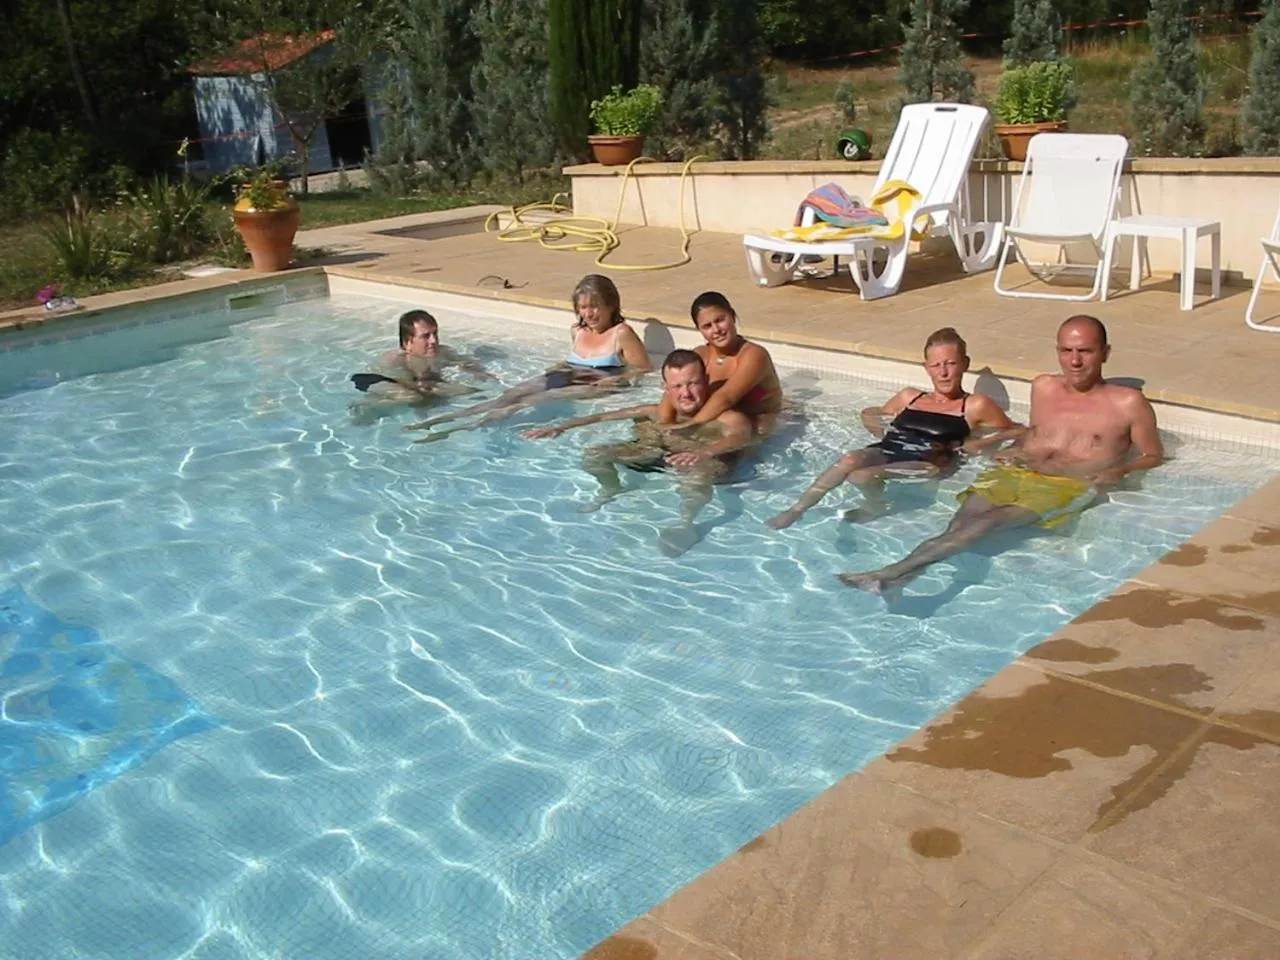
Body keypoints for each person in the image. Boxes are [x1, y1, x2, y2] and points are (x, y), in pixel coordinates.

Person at [838, 315, 1164, 595]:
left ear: (1105, 353)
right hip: (1016, 471)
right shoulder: (1044, 387)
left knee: (987, 523)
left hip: (1065, 483)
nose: (1074, 361)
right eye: (1067, 351)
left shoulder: (1128, 403)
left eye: (1085, 351)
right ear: (1058, 352)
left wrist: (1120, 471)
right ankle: (903, 578)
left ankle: (890, 572)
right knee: (960, 523)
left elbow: (1153, 455)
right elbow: (1037, 432)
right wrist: (1011, 448)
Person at [766, 327, 1018, 529]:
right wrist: (878, 429)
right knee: (850, 459)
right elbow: (873, 414)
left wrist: (977, 444)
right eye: (936, 365)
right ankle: (796, 510)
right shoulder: (911, 396)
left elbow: (1018, 430)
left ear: (964, 364)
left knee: (861, 475)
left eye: (950, 364)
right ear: (926, 367)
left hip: (929, 462)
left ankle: (874, 506)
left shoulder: (974, 404)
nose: (943, 373)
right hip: (889, 449)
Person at [523, 349, 756, 555]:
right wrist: (560, 426)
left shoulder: (725, 418)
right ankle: (611, 488)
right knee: (594, 456)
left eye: (692, 383)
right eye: (677, 386)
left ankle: (686, 524)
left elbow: (741, 436)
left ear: (705, 380)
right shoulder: (655, 412)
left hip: (705, 464)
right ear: (666, 388)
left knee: (696, 477)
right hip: (661, 454)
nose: (685, 393)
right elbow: (603, 416)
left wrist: (704, 453)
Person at [406, 275, 652, 442]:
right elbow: (574, 361)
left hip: (597, 382)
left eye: (595, 306)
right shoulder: (577, 331)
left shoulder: (621, 333)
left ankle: (463, 430)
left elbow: (643, 368)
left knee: (529, 401)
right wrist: (555, 368)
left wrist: (617, 380)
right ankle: (441, 421)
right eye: (583, 307)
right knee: (509, 395)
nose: (589, 314)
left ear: (611, 304)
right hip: (566, 374)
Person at [658, 291, 783, 436]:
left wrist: (690, 427)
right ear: (699, 330)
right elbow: (672, 390)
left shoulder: (754, 355)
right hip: (718, 423)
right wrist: (664, 425)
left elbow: (726, 397)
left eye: (720, 320)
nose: (716, 330)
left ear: (732, 316)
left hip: (757, 427)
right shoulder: (701, 355)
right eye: (707, 326)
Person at [349, 310, 489, 413]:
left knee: (462, 392)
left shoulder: (443, 351)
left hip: (416, 384)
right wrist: (441, 389)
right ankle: (363, 408)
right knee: (412, 398)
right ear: (407, 342)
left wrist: (477, 372)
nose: (433, 341)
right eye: (425, 336)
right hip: (375, 379)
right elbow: (415, 386)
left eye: (435, 333)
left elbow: (464, 361)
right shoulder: (396, 361)